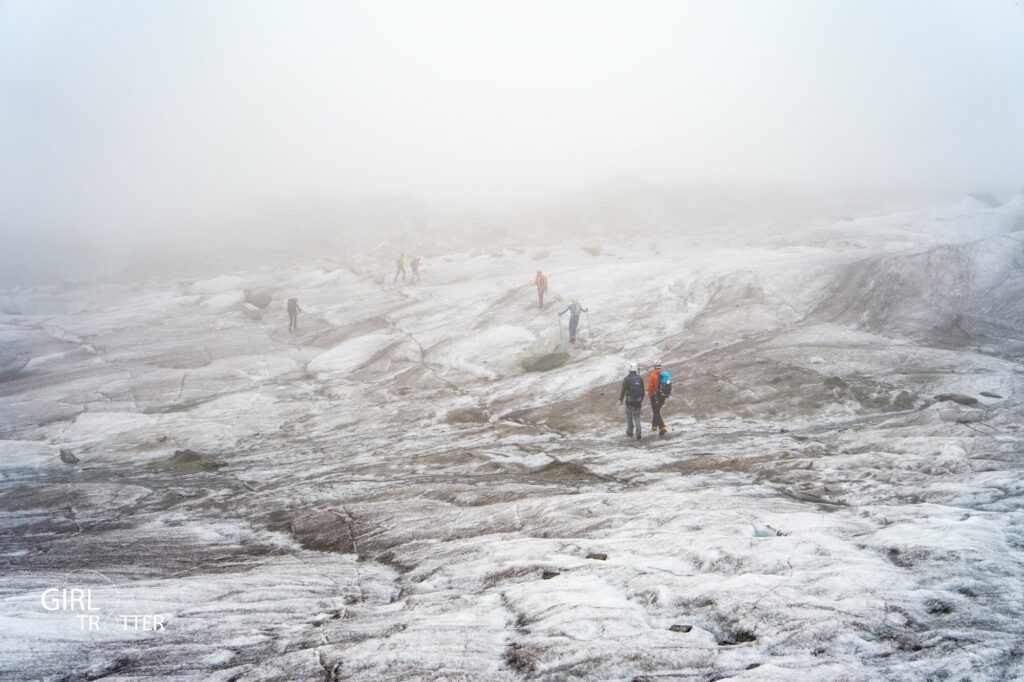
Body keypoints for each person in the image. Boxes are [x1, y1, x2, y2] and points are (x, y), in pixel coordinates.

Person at [618, 362, 645, 440]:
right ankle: (638, 431)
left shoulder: (626, 378)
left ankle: (630, 431)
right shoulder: (640, 378)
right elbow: (643, 391)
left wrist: (620, 399)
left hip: (629, 401)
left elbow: (623, 390)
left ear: (629, 369)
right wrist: (640, 400)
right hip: (638, 401)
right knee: (637, 416)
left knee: (629, 416)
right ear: (636, 369)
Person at [647, 360, 673, 437]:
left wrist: (650, 396)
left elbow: (650, 388)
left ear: (654, 367)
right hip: (663, 396)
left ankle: (662, 427)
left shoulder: (653, 375)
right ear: (661, 366)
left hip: (655, 396)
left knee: (656, 411)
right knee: (656, 410)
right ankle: (654, 426)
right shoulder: (665, 374)